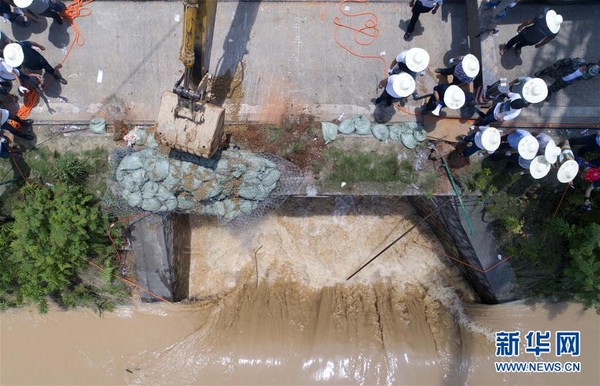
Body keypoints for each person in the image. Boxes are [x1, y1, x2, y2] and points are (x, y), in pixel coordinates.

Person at [3, 41, 67, 85]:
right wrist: (34, 75)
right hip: (32, 66)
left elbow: (31, 43)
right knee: (38, 69)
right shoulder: (16, 64)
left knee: (47, 67)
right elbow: (24, 72)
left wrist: (40, 46)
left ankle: (55, 76)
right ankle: (46, 71)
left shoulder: (22, 45)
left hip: (39, 59)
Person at [534, 58, 600, 101]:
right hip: (561, 72)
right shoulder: (579, 62)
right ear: (587, 67)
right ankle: (542, 72)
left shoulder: (588, 76)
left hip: (567, 81)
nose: (586, 74)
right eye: (587, 72)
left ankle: (549, 91)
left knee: (556, 87)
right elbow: (565, 61)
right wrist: (556, 64)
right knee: (550, 73)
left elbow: (584, 77)